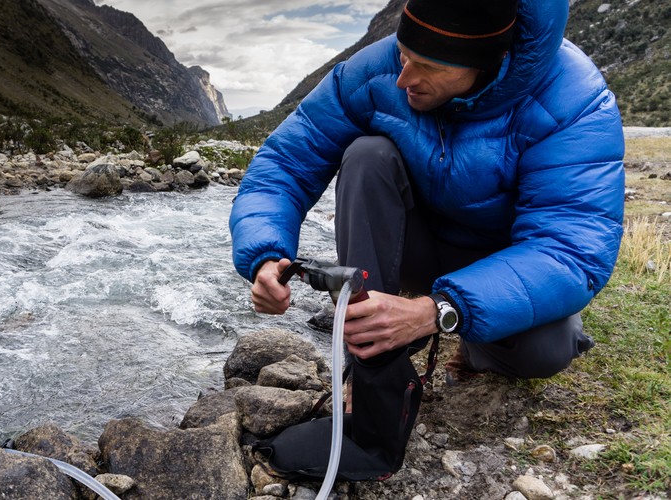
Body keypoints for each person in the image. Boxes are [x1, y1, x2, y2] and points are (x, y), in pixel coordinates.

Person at [230, 0, 625, 382]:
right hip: (413, 246)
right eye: (403, 55)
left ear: (488, 64)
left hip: (500, 260)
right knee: (367, 155)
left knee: (545, 350)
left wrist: (438, 312)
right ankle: (372, 365)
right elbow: (285, 164)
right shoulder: (378, 69)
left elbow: (569, 248)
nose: (403, 80)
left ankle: (462, 339)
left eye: (430, 67)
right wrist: (265, 254)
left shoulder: (571, 99)